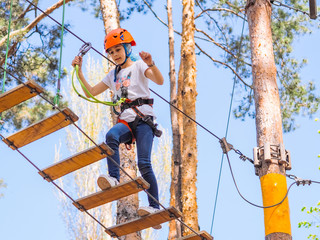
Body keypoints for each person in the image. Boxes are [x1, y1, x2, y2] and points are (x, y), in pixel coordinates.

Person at [71, 28, 164, 226]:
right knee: (111, 136)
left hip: (143, 119)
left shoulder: (139, 66)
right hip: (126, 121)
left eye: (118, 49)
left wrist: (151, 64)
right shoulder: (112, 75)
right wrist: (79, 72)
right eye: (111, 52)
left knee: (144, 163)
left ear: (127, 48)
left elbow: (160, 80)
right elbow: (91, 92)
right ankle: (113, 178)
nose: (115, 55)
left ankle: (155, 205)